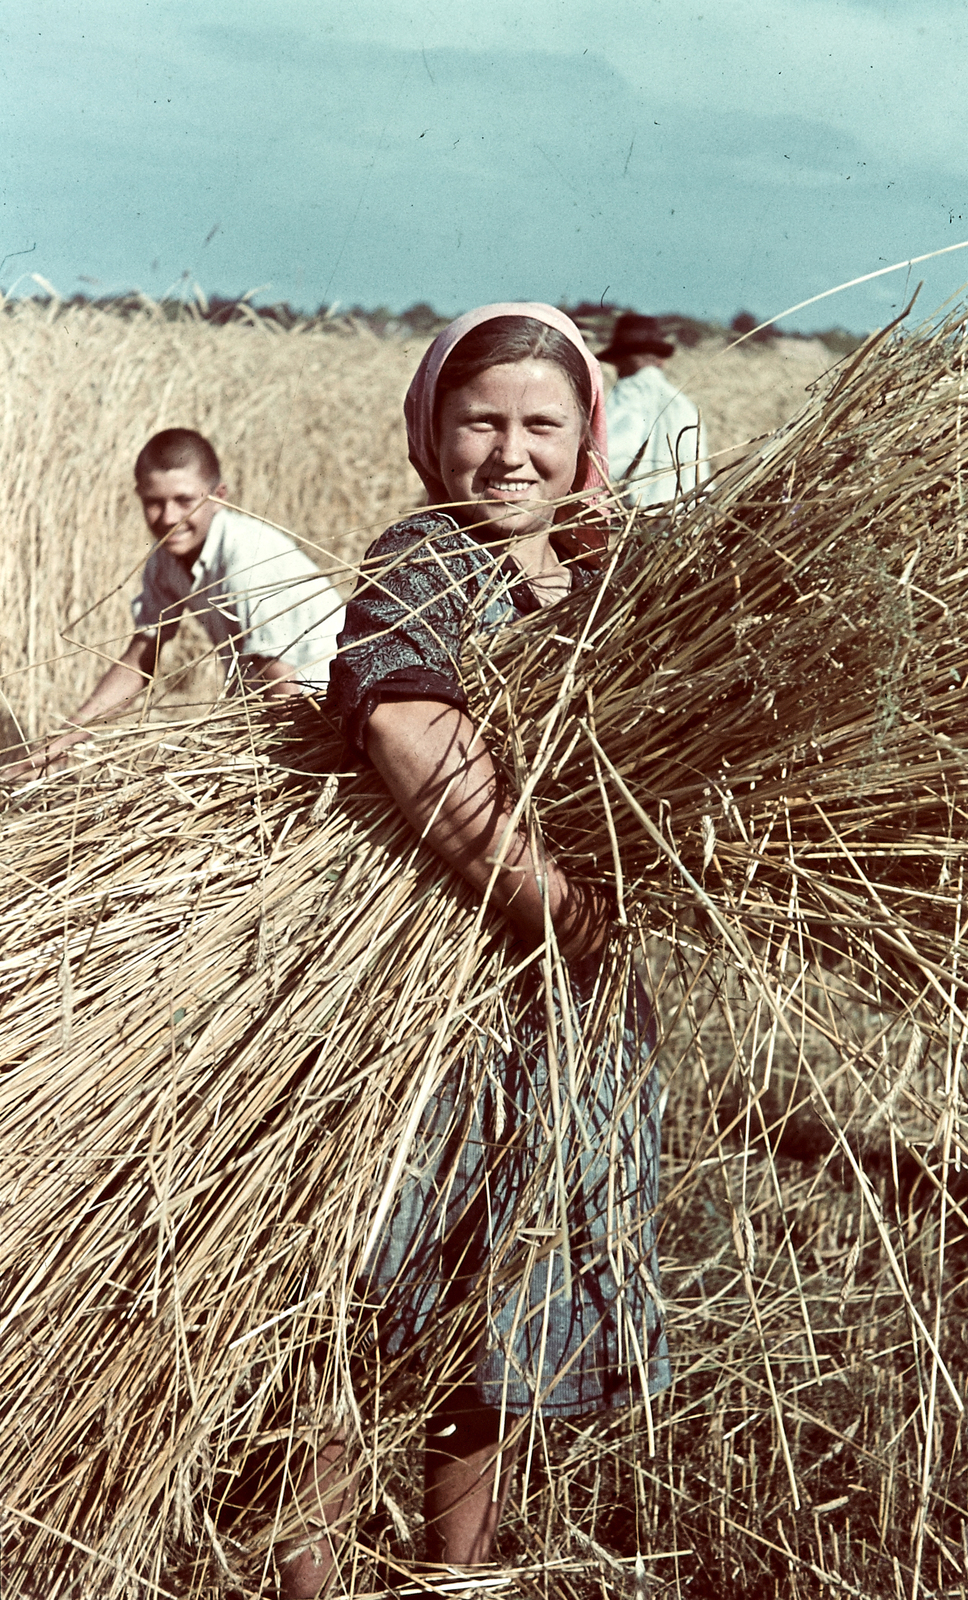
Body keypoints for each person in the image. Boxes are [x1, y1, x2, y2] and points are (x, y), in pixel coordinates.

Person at [290, 305, 670, 1598]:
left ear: (585, 441)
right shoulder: (422, 561)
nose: (510, 454)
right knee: (345, 1326)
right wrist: (555, 900)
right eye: (481, 422)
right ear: (432, 431)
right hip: (426, 1010)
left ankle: (455, 1583)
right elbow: (404, 730)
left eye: (540, 426)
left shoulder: (610, 578)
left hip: (558, 1023)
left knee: (498, 1337)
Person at [6, 428, 343, 774]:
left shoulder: (245, 558)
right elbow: (140, 659)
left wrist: (280, 775)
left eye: (184, 501)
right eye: (154, 502)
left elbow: (281, 680)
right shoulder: (164, 559)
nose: (169, 519)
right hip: (268, 707)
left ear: (219, 497)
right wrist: (60, 742)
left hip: (323, 707)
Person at [599, 311, 710, 507]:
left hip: (645, 519)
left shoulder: (629, 391)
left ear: (623, 359)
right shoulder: (684, 403)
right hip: (690, 519)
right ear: (660, 360)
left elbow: (611, 457)